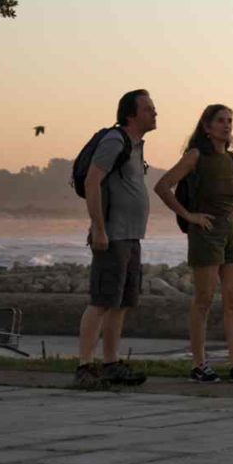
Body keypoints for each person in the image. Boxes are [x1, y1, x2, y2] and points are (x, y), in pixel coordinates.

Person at [154, 104, 233, 384]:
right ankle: (199, 364)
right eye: (221, 121)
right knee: (203, 301)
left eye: (230, 121)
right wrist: (188, 215)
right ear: (207, 126)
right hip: (206, 233)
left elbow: (232, 204)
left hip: (231, 235)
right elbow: (162, 186)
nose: (227, 126)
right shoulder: (196, 155)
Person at [74, 89, 157, 389]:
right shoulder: (115, 140)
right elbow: (92, 180)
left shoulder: (136, 145)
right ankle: (84, 365)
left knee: (121, 302)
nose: (155, 113)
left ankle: (110, 363)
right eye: (148, 109)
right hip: (113, 234)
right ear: (131, 114)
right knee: (101, 301)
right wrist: (99, 228)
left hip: (131, 235)